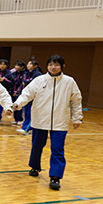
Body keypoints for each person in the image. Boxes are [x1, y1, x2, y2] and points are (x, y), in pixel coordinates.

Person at [13, 55, 83, 191]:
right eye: (50, 64)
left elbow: (76, 100)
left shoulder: (69, 82)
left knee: (57, 149)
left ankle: (55, 177)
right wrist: (18, 104)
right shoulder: (39, 80)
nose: (53, 67)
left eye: (56, 65)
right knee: (37, 146)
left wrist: (77, 118)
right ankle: (35, 166)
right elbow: (27, 94)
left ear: (62, 66)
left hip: (60, 122)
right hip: (40, 120)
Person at [16, 60, 42, 135]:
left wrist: (26, 82)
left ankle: (27, 129)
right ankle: (26, 127)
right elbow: (22, 83)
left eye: (30, 64)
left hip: (33, 97)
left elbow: (34, 84)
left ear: (35, 66)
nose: (28, 65)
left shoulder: (38, 74)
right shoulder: (26, 73)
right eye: (28, 64)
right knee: (26, 113)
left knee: (30, 113)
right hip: (26, 95)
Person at [8, 60, 27, 125]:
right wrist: (13, 92)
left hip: (20, 92)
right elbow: (12, 82)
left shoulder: (24, 74)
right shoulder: (13, 73)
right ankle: (15, 119)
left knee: (19, 106)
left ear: (22, 67)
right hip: (13, 92)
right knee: (13, 106)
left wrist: (17, 92)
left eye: (18, 65)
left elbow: (21, 84)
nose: (16, 67)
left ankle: (20, 119)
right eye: (16, 65)